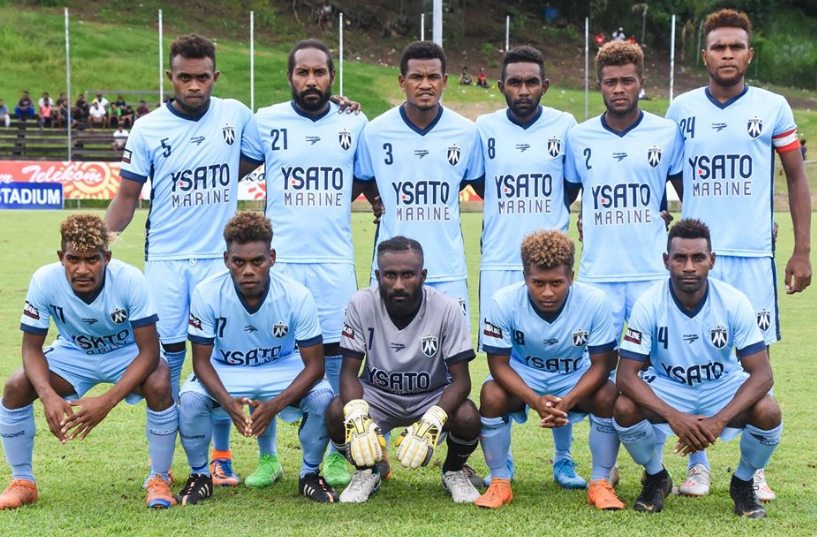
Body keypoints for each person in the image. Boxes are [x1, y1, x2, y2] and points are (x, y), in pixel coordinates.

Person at [665, 8, 811, 499]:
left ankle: (755, 465)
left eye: (736, 47)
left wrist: (801, 250)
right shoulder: (681, 109)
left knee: (755, 359)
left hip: (751, 256)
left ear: (749, 55)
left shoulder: (773, 106)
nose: (727, 54)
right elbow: (667, 171)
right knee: (690, 353)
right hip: (696, 257)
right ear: (703, 55)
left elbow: (796, 177)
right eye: (718, 47)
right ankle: (698, 464)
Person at [105, 33, 257, 488]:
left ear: (215, 76)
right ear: (170, 77)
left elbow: (266, 149)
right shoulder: (148, 128)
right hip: (167, 261)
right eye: (185, 78)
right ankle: (164, 464)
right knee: (166, 364)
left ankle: (221, 457)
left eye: (203, 77)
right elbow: (127, 196)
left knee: (221, 359)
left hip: (219, 261)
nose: (194, 85)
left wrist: (339, 106)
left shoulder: (235, 114)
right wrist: (101, 244)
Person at [241, 39, 377, 488]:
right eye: (303, 72)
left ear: (333, 78)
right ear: (290, 77)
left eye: (320, 72)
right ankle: (268, 457)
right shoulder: (266, 121)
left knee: (337, 358)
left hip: (333, 263)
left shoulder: (354, 122)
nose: (312, 80)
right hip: (277, 264)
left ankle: (336, 453)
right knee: (268, 356)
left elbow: (364, 181)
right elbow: (231, 168)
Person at [0, 214, 178, 510]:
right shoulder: (44, 280)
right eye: (73, 259)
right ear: (61, 257)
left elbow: (148, 352)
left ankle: (159, 477)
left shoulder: (130, 280)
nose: (82, 269)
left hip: (126, 353)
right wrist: (47, 396)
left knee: (159, 380)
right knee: (17, 385)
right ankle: (23, 482)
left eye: (92, 259)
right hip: (74, 353)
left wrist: (106, 401)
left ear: (106, 258)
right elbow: (31, 348)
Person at [614, 219, 782, 518]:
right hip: (670, 388)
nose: (689, 266)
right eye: (680, 258)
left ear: (711, 261)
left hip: (720, 387)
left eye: (698, 258)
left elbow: (763, 374)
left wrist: (719, 420)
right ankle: (656, 477)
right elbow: (626, 375)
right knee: (624, 407)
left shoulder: (733, 301)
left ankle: (743, 483)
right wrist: (674, 416)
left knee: (768, 410)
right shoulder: (649, 303)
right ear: (666, 261)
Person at [474, 45, 583, 489]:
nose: (523, 90)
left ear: (545, 85)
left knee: (562, 357)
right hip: (500, 262)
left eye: (531, 82)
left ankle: (564, 459)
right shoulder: (483, 129)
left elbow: (571, 186)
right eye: (515, 82)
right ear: (501, 86)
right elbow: (477, 182)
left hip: (551, 264)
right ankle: (502, 463)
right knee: (501, 362)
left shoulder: (565, 126)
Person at [175, 212, 338, 505]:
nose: (248, 270)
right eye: (239, 262)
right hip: (227, 368)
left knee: (322, 396)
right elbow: (200, 362)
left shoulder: (296, 295)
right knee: (190, 400)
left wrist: (275, 405)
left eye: (257, 261)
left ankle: (310, 474)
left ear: (271, 258)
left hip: (281, 367)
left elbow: (315, 366)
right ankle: (199, 475)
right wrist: (228, 404)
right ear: (226, 260)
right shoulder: (206, 293)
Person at [325, 236, 481, 504]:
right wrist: (357, 415)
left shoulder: (448, 308)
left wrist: (434, 418)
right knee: (337, 412)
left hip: (431, 395)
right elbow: (349, 372)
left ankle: (454, 471)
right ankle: (367, 471)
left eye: (408, 275)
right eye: (390, 275)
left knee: (467, 415)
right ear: (378, 276)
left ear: (423, 276)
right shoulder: (360, 303)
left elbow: (461, 381)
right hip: (378, 396)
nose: (398, 284)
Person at [476, 230, 622, 510]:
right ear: (524, 277)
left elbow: (603, 365)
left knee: (607, 393)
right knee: (492, 394)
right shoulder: (503, 302)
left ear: (571, 277)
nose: (547, 292)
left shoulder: (595, 301)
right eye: (538, 283)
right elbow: (498, 365)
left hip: (574, 374)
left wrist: (568, 400)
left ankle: (600, 482)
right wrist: (535, 400)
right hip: (524, 373)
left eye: (556, 283)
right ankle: (499, 480)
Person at [356, 41, 483, 328]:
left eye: (433, 77)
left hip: (447, 268)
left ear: (444, 81)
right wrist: (379, 198)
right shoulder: (375, 131)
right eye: (416, 77)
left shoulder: (466, 132)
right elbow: (361, 179)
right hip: (392, 271)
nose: (425, 84)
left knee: (454, 351)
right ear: (402, 82)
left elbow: (474, 182)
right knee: (386, 348)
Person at [565, 41, 683, 341]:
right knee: (598, 361)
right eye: (610, 82)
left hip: (651, 271)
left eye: (627, 81)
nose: (619, 89)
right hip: (598, 273)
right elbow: (566, 196)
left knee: (660, 355)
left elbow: (689, 195)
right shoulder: (579, 136)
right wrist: (585, 218)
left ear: (641, 83)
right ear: (599, 86)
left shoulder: (667, 132)